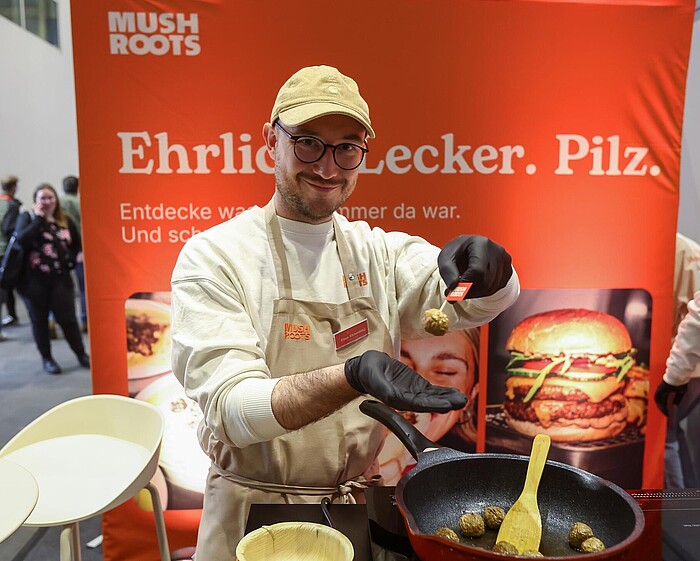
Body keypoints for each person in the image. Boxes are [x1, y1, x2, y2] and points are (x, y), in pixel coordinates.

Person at [170, 64, 520, 558]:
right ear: (270, 141)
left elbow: (465, 304)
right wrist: (350, 376)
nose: (328, 168)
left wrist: (492, 275)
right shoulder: (216, 257)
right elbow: (232, 410)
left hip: (353, 508)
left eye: (347, 148)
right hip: (250, 512)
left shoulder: (378, 253)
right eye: (308, 143)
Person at [378, 328, 480, 485]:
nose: (418, 386)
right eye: (401, 365)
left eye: (445, 372)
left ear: (471, 394)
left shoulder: (469, 482)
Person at [14, 183, 90, 374]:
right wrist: (39, 220)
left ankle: (81, 354)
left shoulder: (64, 219)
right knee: (39, 321)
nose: (47, 202)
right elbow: (21, 240)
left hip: (60, 279)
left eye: (50, 197)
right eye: (43, 198)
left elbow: (76, 243)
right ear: (36, 201)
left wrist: (70, 260)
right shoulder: (28, 218)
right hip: (33, 281)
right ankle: (47, 358)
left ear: (56, 199)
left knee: (68, 320)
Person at [656, 233, 700, 487]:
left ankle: (675, 502)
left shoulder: (666, 245)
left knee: (664, 436)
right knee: (674, 430)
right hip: (690, 363)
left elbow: (696, 319)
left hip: (689, 365)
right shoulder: (685, 246)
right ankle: (690, 497)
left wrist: (673, 378)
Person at [60, 175, 87, 332]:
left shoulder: (57, 203)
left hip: (59, 252)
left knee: (56, 289)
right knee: (83, 288)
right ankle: (85, 320)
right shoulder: (80, 203)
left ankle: (52, 320)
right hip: (79, 250)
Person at [1, 175, 22, 334]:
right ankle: (11, 315)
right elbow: (10, 230)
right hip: (4, 251)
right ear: (14, 188)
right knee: (6, 285)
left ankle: (12, 315)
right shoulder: (12, 206)